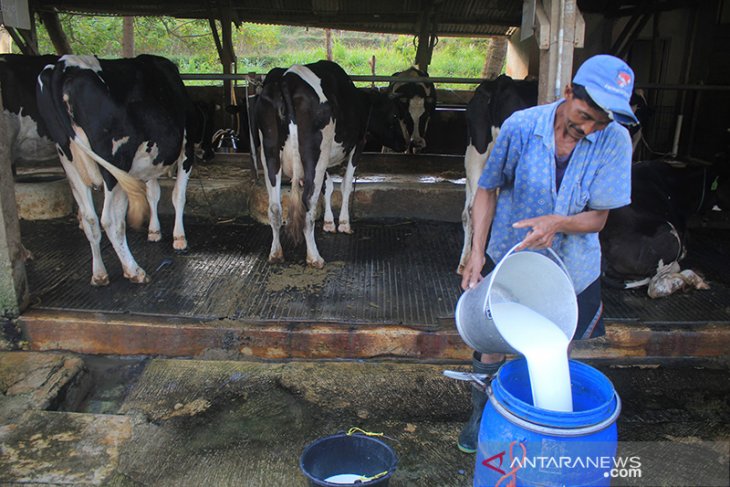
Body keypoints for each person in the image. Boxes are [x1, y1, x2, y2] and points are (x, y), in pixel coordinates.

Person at [457, 54, 638, 454]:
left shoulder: (615, 141)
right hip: (510, 254)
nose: (588, 128)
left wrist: (558, 223)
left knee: (558, 341)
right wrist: (476, 253)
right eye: (584, 115)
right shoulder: (522, 127)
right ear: (569, 92)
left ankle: (542, 425)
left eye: (600, 122)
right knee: (492, 338)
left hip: (571, 266)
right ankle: (481, 418)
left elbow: (598, 219)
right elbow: (488, 188)